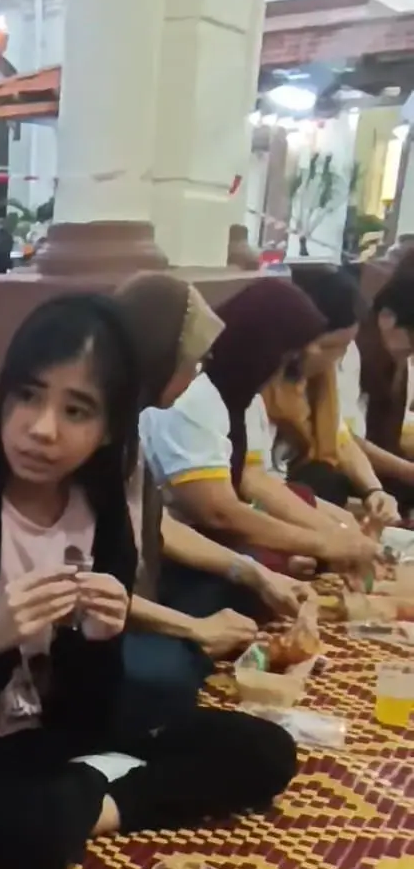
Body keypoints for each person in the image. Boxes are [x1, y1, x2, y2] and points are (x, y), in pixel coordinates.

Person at [0, 296, 296, 869]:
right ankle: (98, 796)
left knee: (265, 750)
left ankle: (88, 804)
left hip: (61, 745)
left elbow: (90, 713)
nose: (41, 428)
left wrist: (100, 640)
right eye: (27, 395)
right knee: (16, 843)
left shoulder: (99, 515)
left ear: (108, 431)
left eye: (76, 410)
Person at [115, 274, 303, 727]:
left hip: (127, 595)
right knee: (167, 677)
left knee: (240, 585)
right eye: (193, 361)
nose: (196, 375)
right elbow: (77, 583)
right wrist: (194, 629)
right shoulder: (95, 429)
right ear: (159, 357)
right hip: (81, 617)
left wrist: (253, 573)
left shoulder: (128, 422)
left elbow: (151, 524)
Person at [140, 278, 378, 629]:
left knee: (286, 550)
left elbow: (255, 480)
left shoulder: (243, 397)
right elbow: (218, 512)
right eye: (281, 359)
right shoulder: (194, 397)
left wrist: (337, 536)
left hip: (202, 539)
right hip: (172, 555)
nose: (281, 372)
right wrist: (323, 544)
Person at [272, 264, 400, 522]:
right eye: (328, 346)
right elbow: (258, 484)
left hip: (292, 489)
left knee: (327, 479)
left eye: (343, 347)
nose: (335, 359)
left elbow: (339, 436)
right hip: (270, 496)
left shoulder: (322, 376)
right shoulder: (262, 384)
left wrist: (374, 490)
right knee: (324, 481)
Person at [345, 268, 414, 515]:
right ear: (387, 318)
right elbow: (344, 438)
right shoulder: (350, 352)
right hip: (349, 474)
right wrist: (407, 471)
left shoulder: (399, 360)